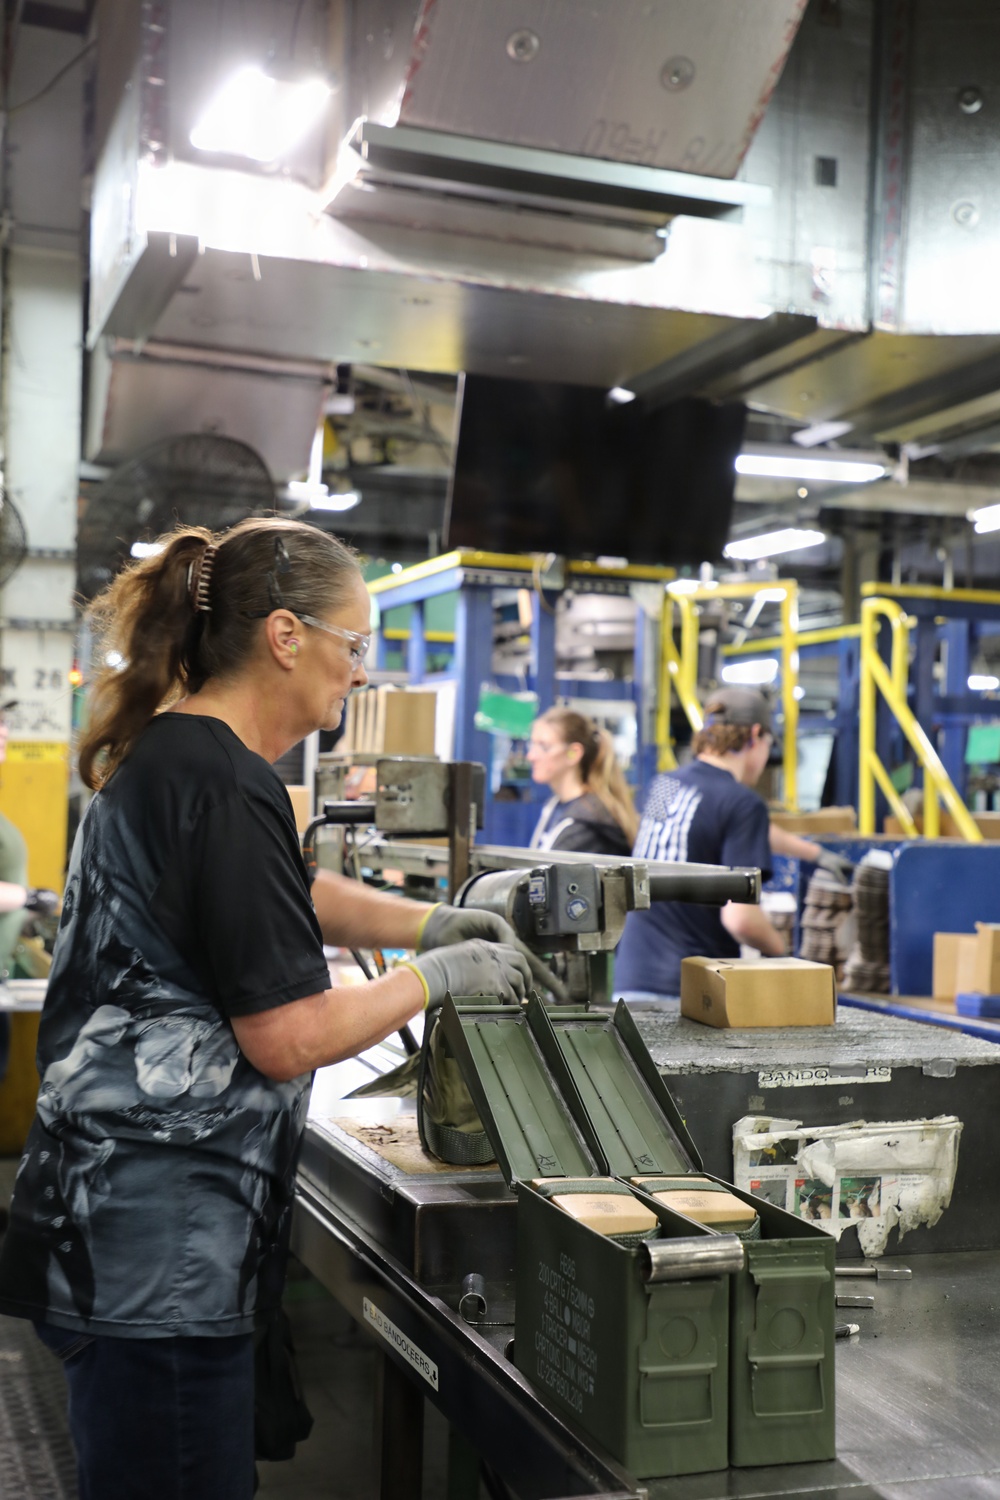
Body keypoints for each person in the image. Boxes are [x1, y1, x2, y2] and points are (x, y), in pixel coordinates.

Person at [0, 518, 532, 1500]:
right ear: (286, 636)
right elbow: (285, 1037)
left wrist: (434, 924)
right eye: (353, 643)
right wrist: (437, 980)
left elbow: (288, 892)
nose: (359, 673)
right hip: (154, 1260)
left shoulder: (182, 758)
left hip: (113, 1233)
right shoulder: (221, 780)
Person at [613, 686, 787, 1003]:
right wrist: (786, 954)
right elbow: (741, 920)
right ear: (756, 735)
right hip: (689, 993)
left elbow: (706, 825)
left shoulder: (664, 784)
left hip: (631, 980)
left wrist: (814, 852)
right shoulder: (744, 804)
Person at [527, 706, 639, 856]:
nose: (531, 756)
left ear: (574, 753)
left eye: (544, 747)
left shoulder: (587, 823)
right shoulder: (555, 806)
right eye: (532, 744)